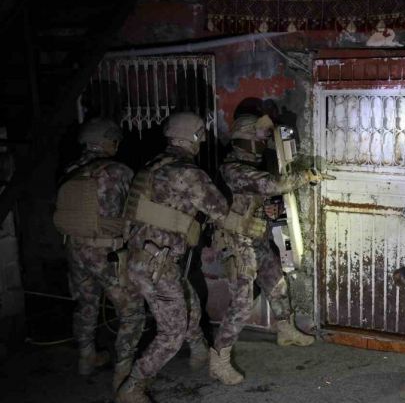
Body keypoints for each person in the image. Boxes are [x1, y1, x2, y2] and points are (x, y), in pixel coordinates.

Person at [116, 112, 228, 403]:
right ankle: (132, 387)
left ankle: (200, 352)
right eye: (201, 137)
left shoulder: (150, 167)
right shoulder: (187, 172)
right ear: (194, 138)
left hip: (138, 259)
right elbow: (220, 209)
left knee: (189, 303)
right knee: (172, 333)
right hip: (159, 266)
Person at [208, 113, 326, 385]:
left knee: (276, 282)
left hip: (254, 237)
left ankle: (285, 330)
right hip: (237, 243)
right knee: (241, 303)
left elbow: (257, 197)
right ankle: (219, 359)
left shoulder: (248, 165)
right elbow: (271, 184)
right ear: (247, 138)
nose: (264, 142)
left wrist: (267, 209)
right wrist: (305, 175)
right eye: (261, 137)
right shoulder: (234, 169)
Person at [53, 118, 145, 390]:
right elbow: (137, 212)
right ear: (106, 141)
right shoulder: (119, 171)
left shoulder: (69, 170)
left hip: (75, 249)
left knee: (86, 304)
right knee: (131, 311)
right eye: (114, 140)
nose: (116, 144)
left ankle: (86, 358)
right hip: (107, 253)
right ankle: (123, 374)